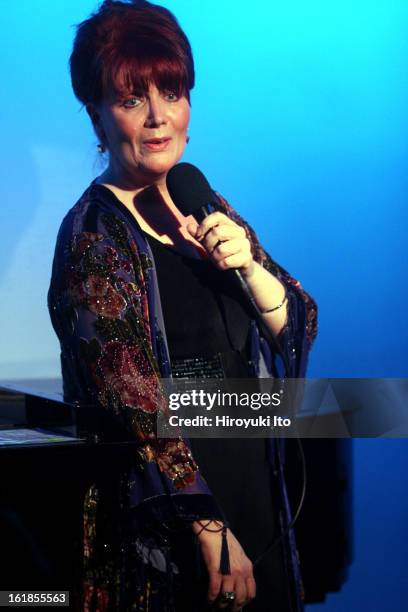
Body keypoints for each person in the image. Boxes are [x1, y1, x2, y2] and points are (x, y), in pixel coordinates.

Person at [48, 1, 318, 610]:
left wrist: (248, 264)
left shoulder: (199, 196)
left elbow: (298, 320)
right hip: (175, 512)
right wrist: (209, 528)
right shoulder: (93, 234)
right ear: (96, 116)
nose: (157, 118)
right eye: (131, 99)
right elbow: (132, 399)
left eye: (170, 92)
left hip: (251, 474)